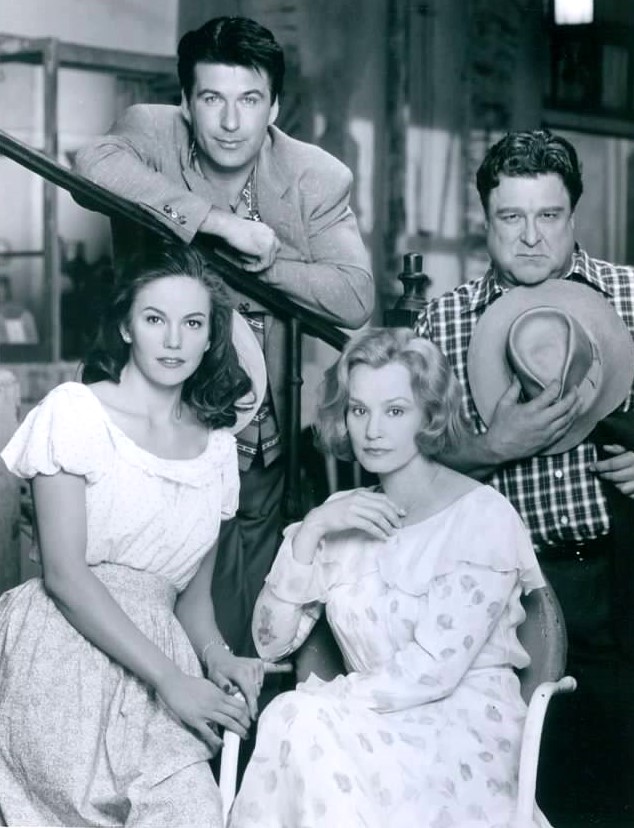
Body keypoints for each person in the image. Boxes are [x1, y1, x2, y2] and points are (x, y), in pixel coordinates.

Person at [74, 15, 374, 659]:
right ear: (187, 103)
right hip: (149, 429)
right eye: (212, 99)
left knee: (244, 625)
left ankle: (231, 717)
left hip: (258, 434)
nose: (231, 122)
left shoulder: (314, 175)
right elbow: (91, 166)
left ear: (275, 106)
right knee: (139, 596)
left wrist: (264, 265)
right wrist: (217, 225)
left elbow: (354, 296)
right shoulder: (150, 131)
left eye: (250, 100)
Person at [0, 243, 290, 827]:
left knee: (194, 812)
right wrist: (171, 679)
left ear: (211, 338)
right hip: (61, 653)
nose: (174, 340)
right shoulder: (75, 413)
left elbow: (192, 601)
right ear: (127, 327)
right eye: (156, 319)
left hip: (165, 672)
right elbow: (64, 576)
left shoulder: (216, 451)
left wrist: (218, 659)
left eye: (193, 323)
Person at [228, 327, 549, 828]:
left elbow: (433, 671)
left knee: (298, 718)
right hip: (363, 729)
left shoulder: (482, 518)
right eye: (359, 410)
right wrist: (312, 531)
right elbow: (269, 643)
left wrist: (325, 701)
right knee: (299, 721)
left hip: (461, 736)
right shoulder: (341, 515)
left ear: (430, 414)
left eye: (395, 411)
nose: (372, 430)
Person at [413, 129, 634, 822]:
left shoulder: (632, 297)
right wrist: (492, 447)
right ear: (485, 218)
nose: (531, 236)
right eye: (511, 216)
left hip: (620, 578)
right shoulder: (443, 320)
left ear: (574, 214)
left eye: (549, 215)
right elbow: (403, 468)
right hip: (503, 595)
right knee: (518, 794)